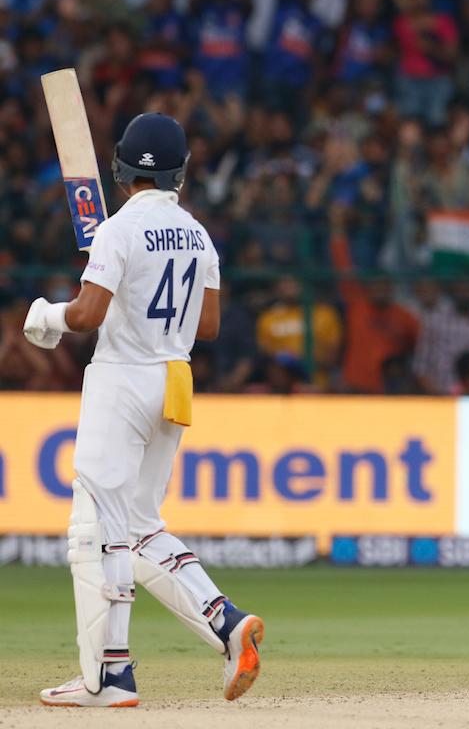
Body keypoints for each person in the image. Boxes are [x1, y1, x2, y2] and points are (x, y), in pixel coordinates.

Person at [23, 113, 264, 707]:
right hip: (174, 379)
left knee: (95, 533)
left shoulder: (117, 230)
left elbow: (85, 315)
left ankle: (108, 677)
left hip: (122, 379)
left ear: (121, 168)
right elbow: (206, 326)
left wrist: (43, 315)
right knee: (134, 528)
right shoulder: (198, 235)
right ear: (181, 172)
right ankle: (226, 623)